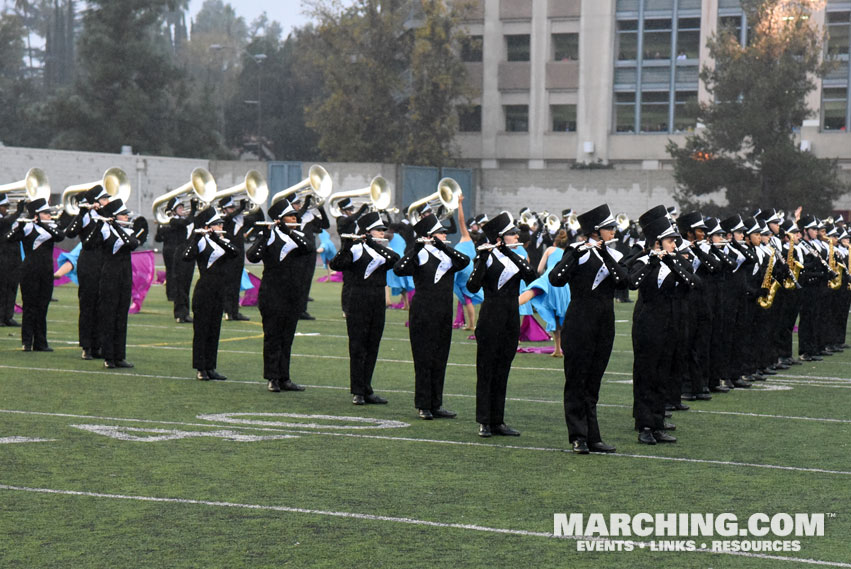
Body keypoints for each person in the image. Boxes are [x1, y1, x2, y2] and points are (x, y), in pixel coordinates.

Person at [548, 204, 626, 453]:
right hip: (580, 321)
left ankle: (593, 436)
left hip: (605, 323)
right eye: (609, 228)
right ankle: (578, 436)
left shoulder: (613, 255)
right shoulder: (576, 252)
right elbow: (556, 278)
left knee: (593, 381)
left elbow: (625, 282)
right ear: (596, 230)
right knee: (576, 379)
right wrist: (574, 252)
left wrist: (602, 253)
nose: (614, 231)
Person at [628, 213, 697, 445]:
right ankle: (644, 425)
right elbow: (631, 282)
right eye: (670, 241)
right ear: (658, 242)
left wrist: (671, 262)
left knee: (662, 375)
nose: (675, 244)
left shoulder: (679, 261)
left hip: (670, 324)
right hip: (647, 324)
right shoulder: (642, 261)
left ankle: (657, 423)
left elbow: (694, 284)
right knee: (646, 374)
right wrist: (651, 260)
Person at [394, 213, 470, 420]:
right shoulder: (418, 253)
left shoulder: (448, 254)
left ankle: (436, 403)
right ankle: (423, 404)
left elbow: (465, 262)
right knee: (424, 358)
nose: (445, 235)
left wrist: (442, 246)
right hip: (423, 310)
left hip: (444, 311)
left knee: (440, 358)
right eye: (441, 233)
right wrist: (417, 246)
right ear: (429, 235)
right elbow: (399, 269)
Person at [467, 212, 536, 438]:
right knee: (486, 368)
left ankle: (498, 420)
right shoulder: (485, 257)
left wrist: (508, 251)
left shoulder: (517, 256)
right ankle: (484, 421)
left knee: (503, 369)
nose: (517, 236)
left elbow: (530, 276)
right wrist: (484, 257)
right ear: (499, 237)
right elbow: (473, 286)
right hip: (490, 315)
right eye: (511, 234)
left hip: (510, 315)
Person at [329, 211, 400, 404]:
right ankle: (357, 391)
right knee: (358, 346)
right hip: (358, 299)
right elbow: (336, 265)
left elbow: (395, 260)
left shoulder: (381, 250)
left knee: (372, 345)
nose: (382, 234)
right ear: (368, 231)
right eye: (379, 230)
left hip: (377, 301)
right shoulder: (354, 249)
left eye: (382, 231)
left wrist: (370, 243)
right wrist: (347, 246)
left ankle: (367, 389)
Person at [246, 197, 311, 393]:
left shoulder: (297, 235)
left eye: (294, 216)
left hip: (292, 293)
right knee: (273, 336)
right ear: (280, 219)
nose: (294, 218)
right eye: (290, 216)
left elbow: (307, 248)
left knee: (287, 336)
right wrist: (265, 236)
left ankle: (285, 377)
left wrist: (288, 230)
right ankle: (272, 377)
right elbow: (252, 256)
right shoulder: (269, 236)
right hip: (272, 293)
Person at [182, 206, 238, 381]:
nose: (221, 227)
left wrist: (216, 237)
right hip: (205, 289)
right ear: (208, 226)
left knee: (214, 329)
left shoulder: (224, 241)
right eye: (217, 224)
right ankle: (201, 368)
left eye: (221, 224)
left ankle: (211, 366)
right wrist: (196, 237)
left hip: (219, 290)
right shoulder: (200, 242)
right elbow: (186, 256)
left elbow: (234, 253)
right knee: (202, 329)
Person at [84, 199, 139, 369]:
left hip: (125, 276)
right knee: (108, 316)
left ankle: (119, 356)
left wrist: (116, 226)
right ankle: (108, 357)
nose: (126, 217)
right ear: (114, 217)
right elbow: (88, 244)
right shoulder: (104, 231)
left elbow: (132, 245)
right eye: (123, 215)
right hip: (109, 276)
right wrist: (100, 225)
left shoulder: (128, 231)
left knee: (121, 317)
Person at [5, 198, 64, 351]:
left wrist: (42, 224)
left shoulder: (51, 227)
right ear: (37, 214)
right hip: (29, 271)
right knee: (30, 306)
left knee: (43, 307)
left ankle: (41, 342)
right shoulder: (27, 227)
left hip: (46, 271)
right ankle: (27, 341)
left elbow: (60, 236)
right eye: (46, 213)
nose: (49, 215)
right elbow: (9, 238)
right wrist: (20, 225)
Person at [64, 185, 111, 359]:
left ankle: (97, 344)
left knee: (101, 306)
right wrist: (84, 212)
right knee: (87, 304)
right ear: (96, 201)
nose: (107, 201)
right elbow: (69, 233)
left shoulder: (106, 216)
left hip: (104, 262)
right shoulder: (85, 217)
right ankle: (86, 346)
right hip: (89, 261)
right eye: (104, 198)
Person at [519, 229, 571, 357]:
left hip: (548, 279)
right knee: (562, 313)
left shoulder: (549, 250)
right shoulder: (569, 254)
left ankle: (511, 306)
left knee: (531, 292)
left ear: (555, 241)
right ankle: (561, 348)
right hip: (563, 284)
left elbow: (539, 269)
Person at [219, 196, 263, 321]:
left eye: (234, 207)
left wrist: (257, 203)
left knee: (236, 284)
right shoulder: (223, 219)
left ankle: (234, 312)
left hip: (238, 256)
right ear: (224, 209)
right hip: (227, 256)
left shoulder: (240, 220)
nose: (234, 209)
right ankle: (228, 310)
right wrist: (241, 208)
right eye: (231, 207)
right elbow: (228, 218)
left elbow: (258, 219)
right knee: (228, 284)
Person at [0, 195, 23, 327]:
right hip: (2, 258)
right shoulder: (5, 221)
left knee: (12, 287)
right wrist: (18, 212)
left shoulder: (10, 220)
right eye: (5, 206)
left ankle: (8, 316)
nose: (7, 209)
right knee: (2, 288)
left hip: (13, 258)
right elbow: (4, 224)